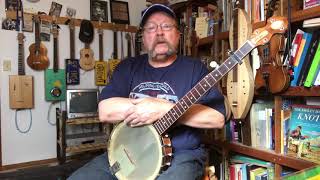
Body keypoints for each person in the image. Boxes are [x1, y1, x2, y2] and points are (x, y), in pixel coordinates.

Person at [68, 4, 225, 180]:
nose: (159, 32)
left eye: (166, 26)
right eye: (151, 28)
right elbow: (106, 110)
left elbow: (217, 119)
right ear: (143, 38)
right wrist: (147, 106)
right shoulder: (128, 67)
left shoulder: (196, 69)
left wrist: (164, 108)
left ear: (178, 35)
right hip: (129, 151)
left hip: (181, 156)